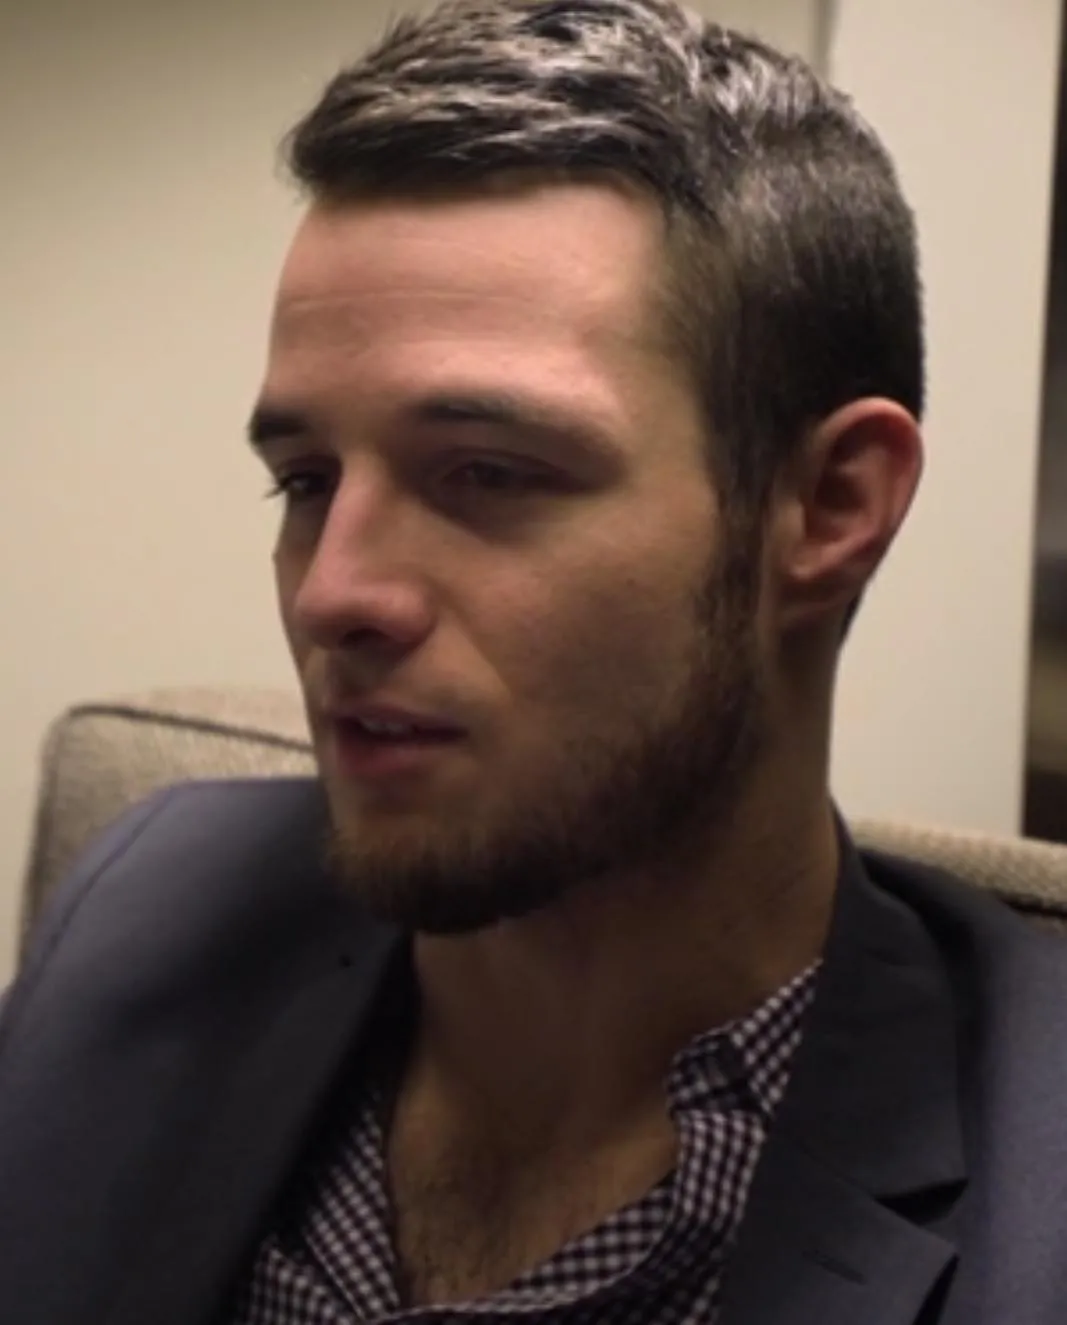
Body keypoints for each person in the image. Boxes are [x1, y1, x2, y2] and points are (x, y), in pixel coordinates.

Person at [3, 1, 1067, 1322]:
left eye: (489, 474)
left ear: (828, 507)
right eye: (306, 480)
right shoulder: (154, 901)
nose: (333, 594)